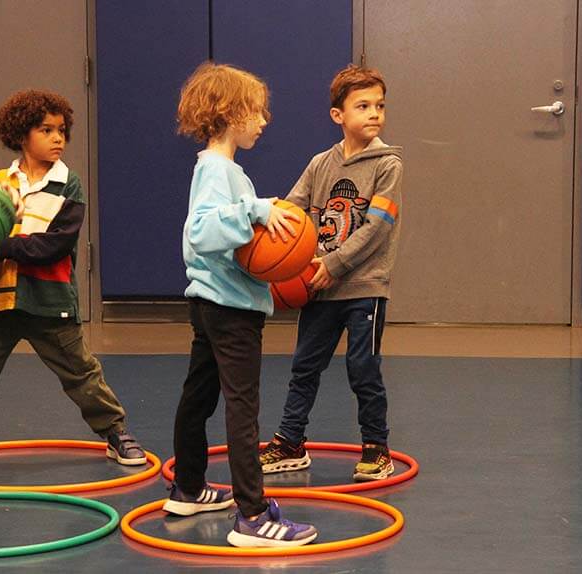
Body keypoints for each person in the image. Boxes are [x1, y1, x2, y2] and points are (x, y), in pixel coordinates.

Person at [0, 89, 146, 468]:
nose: (58, 138)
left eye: (62, 130)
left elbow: (55, 245)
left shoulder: (69, 185)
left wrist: (3, 248)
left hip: (51, 304)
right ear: (22, 134)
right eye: (46, 130)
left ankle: (116, 433)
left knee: (82, 374)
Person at [163, 61, 318, 548]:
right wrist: (256, 208)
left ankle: (187, 487)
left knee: (199, 397)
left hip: (214, 303)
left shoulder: (219, 169)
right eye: (258, 111)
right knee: (242, 407)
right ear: (230, 113)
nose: (264, 120)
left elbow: (222, 243)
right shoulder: (218, 169)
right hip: (230, 312)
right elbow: (201, 232)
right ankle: (251, 515)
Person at [259, 64, 403, 482]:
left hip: (363, 287)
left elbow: (377, 228)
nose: (374, 113)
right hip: (318, 287)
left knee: (363, 368)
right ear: (338, 115)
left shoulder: (388, 165)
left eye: (380, 105)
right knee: (304, 365)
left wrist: (334, 264)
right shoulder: (320, 164)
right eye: (363, 106)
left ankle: (377, 449)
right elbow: (292, 208)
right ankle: (290, 442)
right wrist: (274, 249)